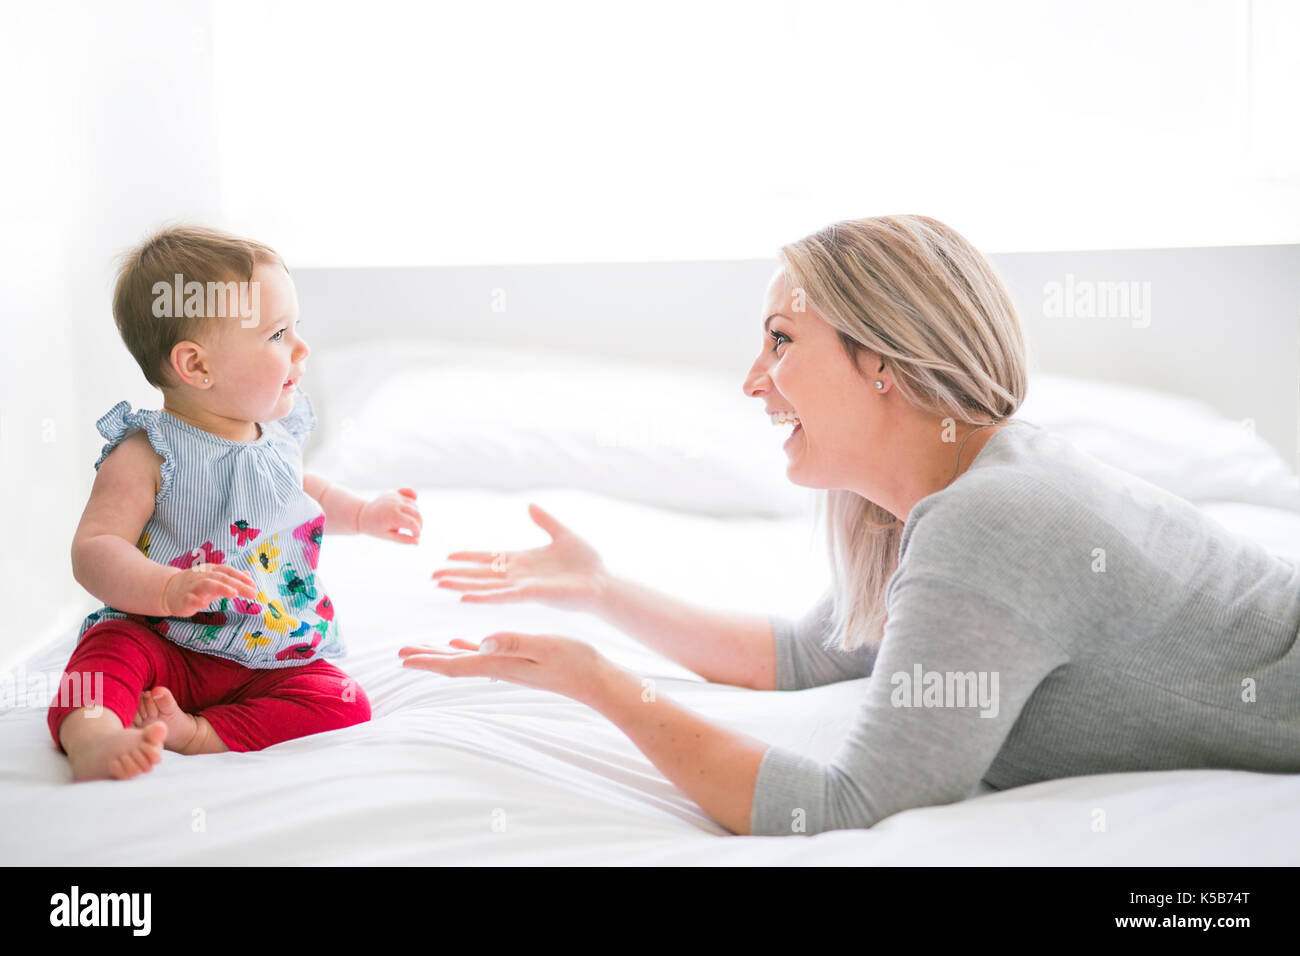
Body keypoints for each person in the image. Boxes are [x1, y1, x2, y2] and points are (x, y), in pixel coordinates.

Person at [402, 214, 1300, 835]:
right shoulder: (970, 489)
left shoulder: (995, 521)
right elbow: (814, 651)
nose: (754, 379)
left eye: (782, 340)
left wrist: (599, 684)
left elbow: (844, 805)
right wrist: (602, 592)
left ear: (881, 360)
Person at [50, 225, 422, 781]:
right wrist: (166, 589)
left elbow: (303, 493)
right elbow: (95, 548)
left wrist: (363, 514)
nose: (302, 348)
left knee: (343, 699)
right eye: (277, 334)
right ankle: (94, 736)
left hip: (266, 655)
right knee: (107, 655)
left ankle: (201, 734)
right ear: (197, 367)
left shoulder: (276, 438)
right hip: (165, 646)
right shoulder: (148, 452)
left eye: (296, 327)